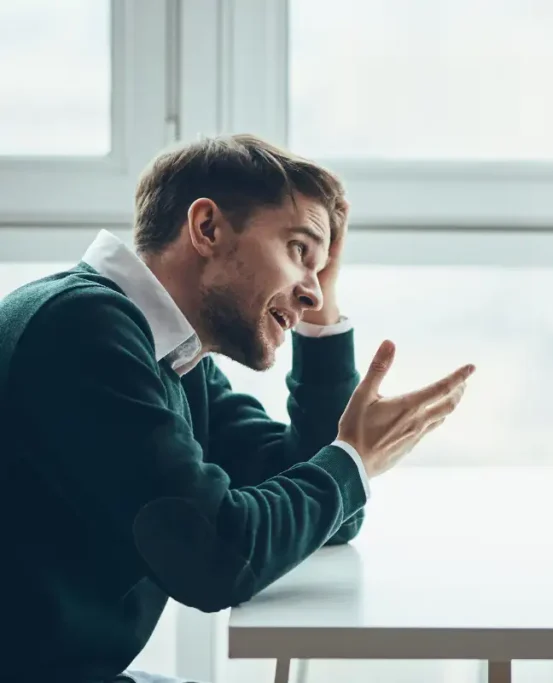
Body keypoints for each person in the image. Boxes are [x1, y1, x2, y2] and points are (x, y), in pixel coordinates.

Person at [0, 134, 475, 683]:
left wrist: (324, 330)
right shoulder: (84, 332)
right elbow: (217, 555)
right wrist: (353, 460)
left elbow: (324, 505)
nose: (313, 292)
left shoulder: (171, 357)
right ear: (207, 228)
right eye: (300, 250)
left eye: (321, 272)